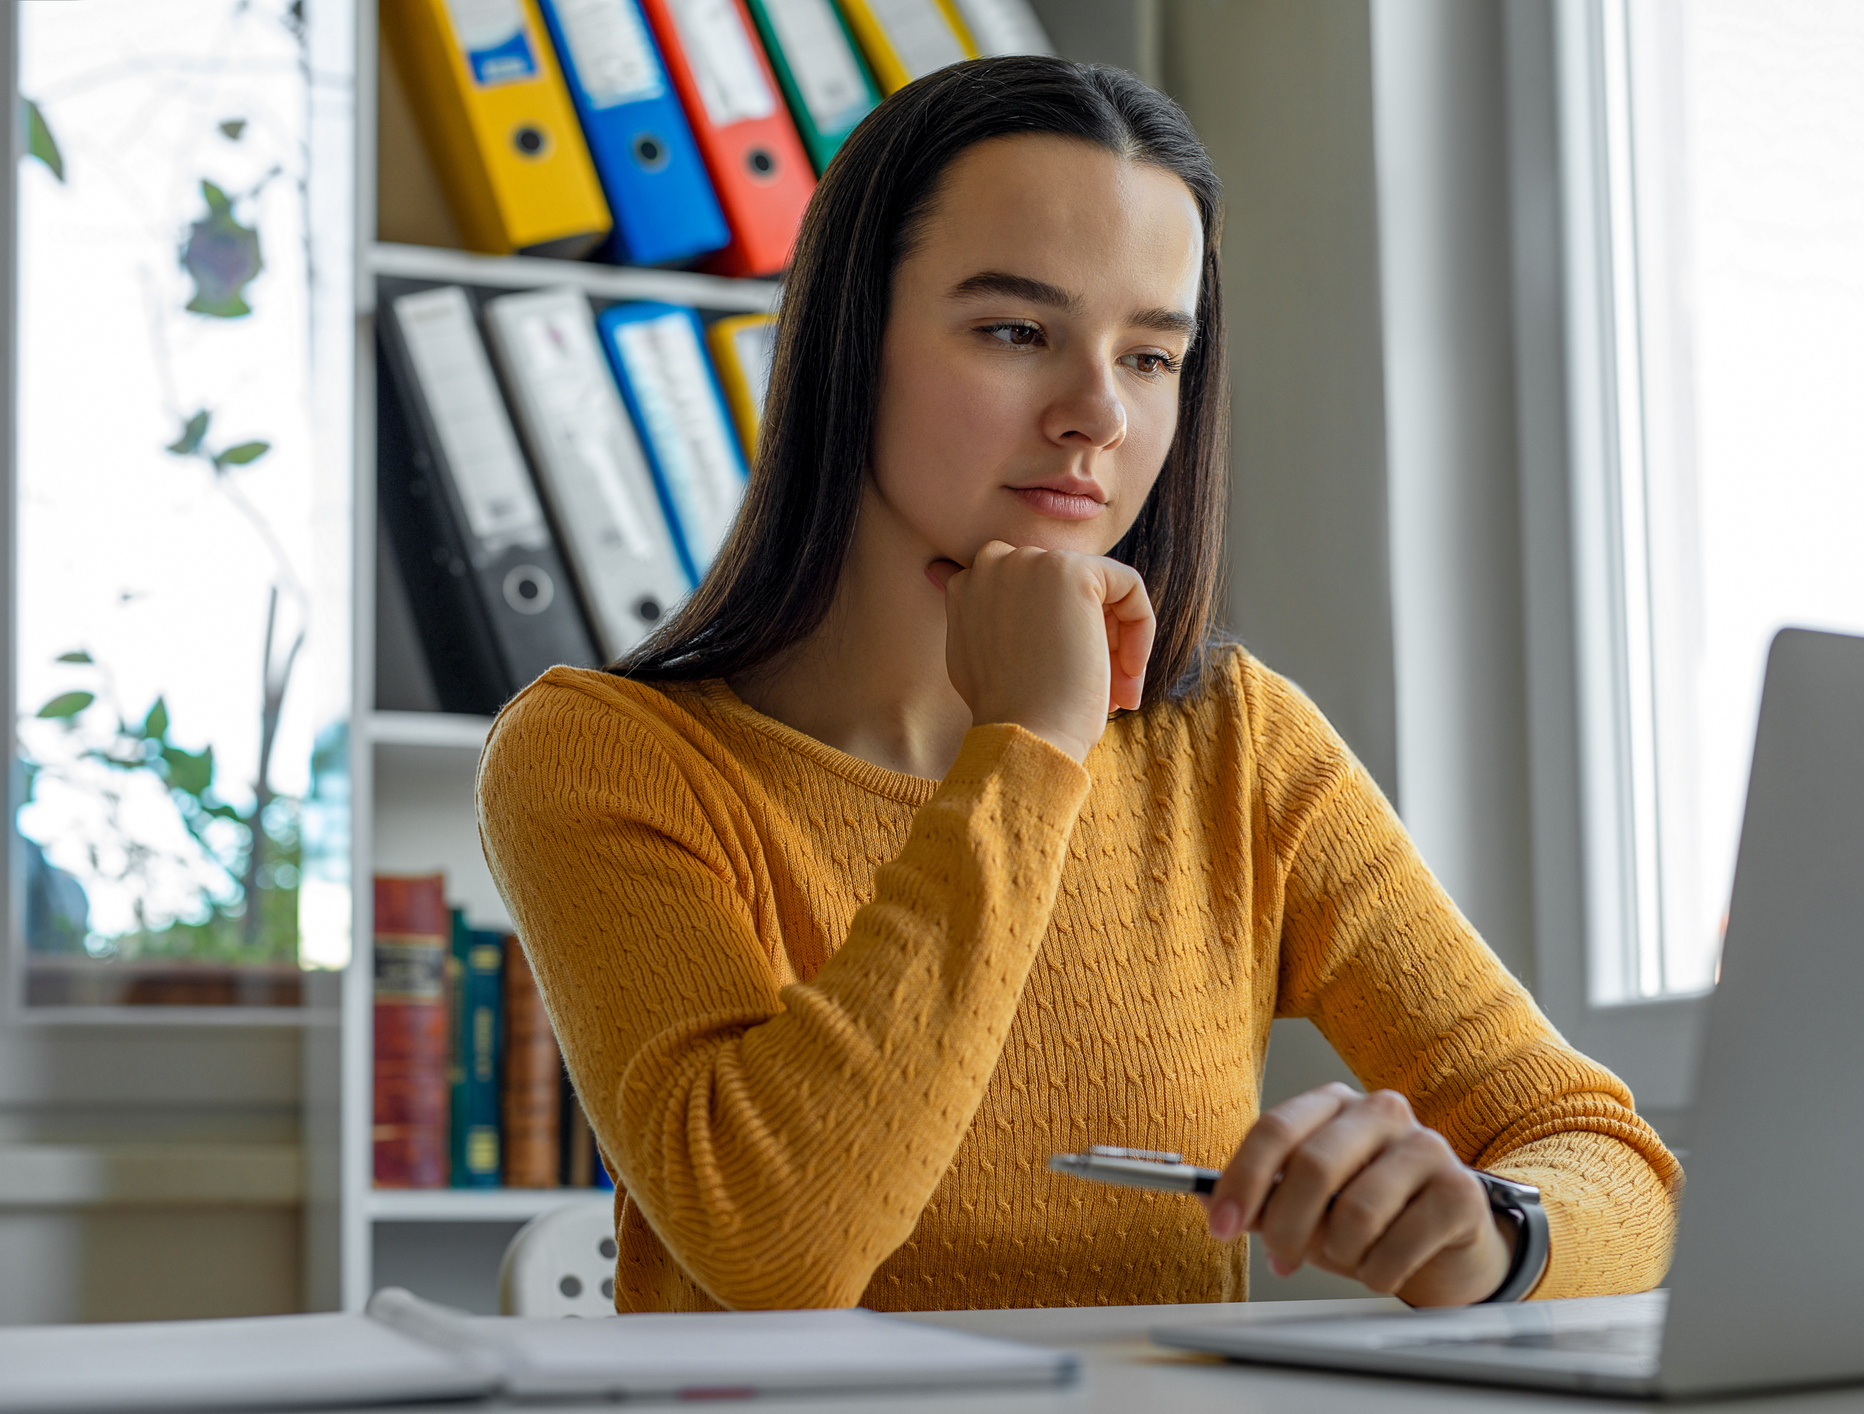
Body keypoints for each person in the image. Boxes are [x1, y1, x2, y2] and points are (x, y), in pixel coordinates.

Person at [477, 55, 1679, 1315]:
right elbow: (780, 1245)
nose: (1098, 413)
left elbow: (1615, 1163)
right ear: (849, 346)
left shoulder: (1236, 744)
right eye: (1015, 332)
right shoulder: (603, 756)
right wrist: (1032, 745)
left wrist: (1493, 1233)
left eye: (1153, 357)